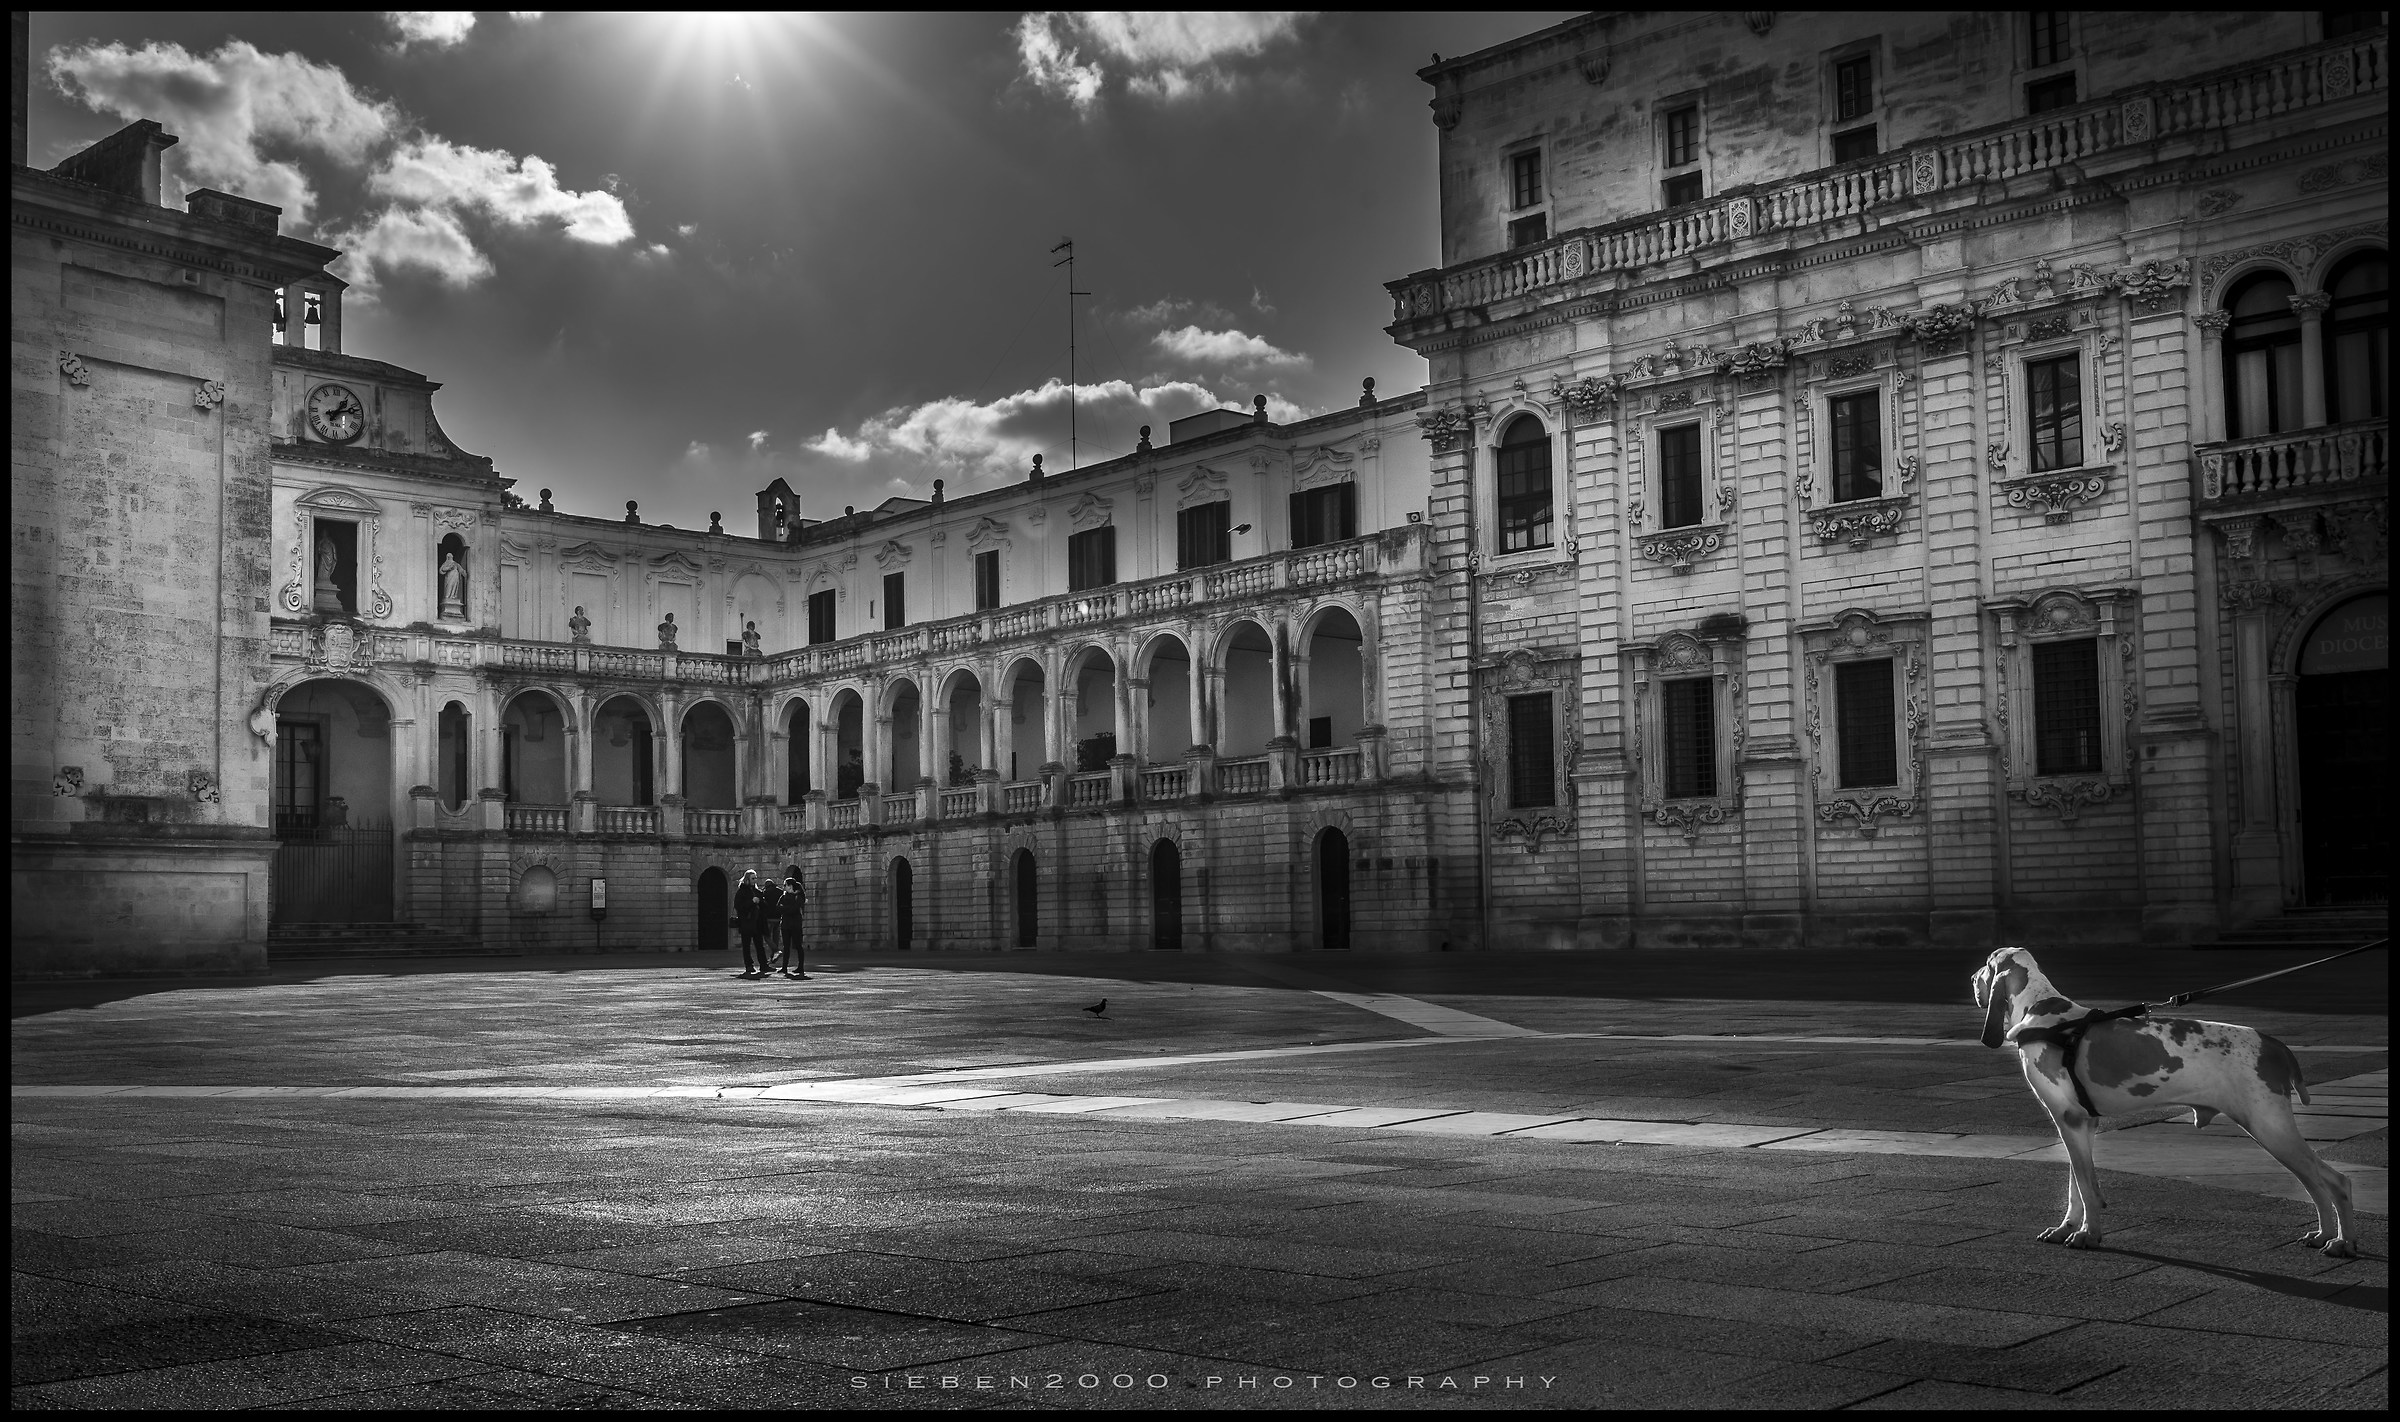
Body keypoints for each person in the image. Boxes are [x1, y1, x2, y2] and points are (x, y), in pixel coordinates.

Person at [733, 870, 768, 978]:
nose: (755, 880)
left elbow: (764, 906)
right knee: (746, 946)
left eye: (756, 878)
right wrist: (751, 902)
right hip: (746, 922)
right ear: (747, 879)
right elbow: (738, 906)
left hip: (757, 922)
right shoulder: (741, 892)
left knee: (759, 945)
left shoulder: (757, 891)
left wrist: (760, 901)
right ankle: (749, 965)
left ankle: (763, 964)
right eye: (753, 878)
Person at [778, 873, 809, 978]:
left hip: (795, 924)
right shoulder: (783, 896)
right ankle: (784, 966)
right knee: (786, 946)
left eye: (785, 885)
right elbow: (778, 908)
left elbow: (794, 909)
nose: (783, 887)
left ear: (790, 886)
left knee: (798, 945)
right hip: (786, 924)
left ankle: (801, 967)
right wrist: (787, 909)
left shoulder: (798, 897)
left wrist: (785, 909)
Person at [757, 872, 785, 974]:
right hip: (778, 918)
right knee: (775, 938)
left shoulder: (765, 893)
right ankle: (773, 957)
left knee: (767, 936)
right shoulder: (780, 892)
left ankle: (776, 951)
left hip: (769, 918)